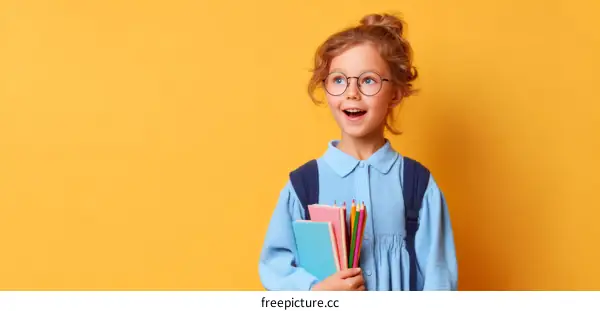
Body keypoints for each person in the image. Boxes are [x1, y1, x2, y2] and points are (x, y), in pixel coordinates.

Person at [258, 12, 458, 291]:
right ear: (325, 89)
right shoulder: (304, 185)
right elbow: (275, 266)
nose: (351, 92)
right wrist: (316, 291)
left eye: (368, 80)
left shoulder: (417, 184)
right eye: (338, 80)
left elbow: (440, 278)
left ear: (396, 93)